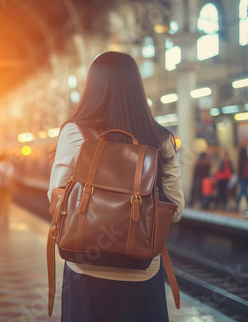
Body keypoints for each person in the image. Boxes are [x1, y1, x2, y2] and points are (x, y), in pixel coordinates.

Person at [47, 52, 184, 322]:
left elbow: (56, 201)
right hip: (143, 273)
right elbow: (175, 210)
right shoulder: (161, 138)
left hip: (85, 270)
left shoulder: (74, 133)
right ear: (137, 87)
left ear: (92, 87)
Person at [236, 147, 248, 212]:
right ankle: (238, 203)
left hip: (242, 177)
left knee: (244, 191)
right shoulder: (247, 160)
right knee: (243, 191)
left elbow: (239, 170)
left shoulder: (241, 160)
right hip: (247, 177)